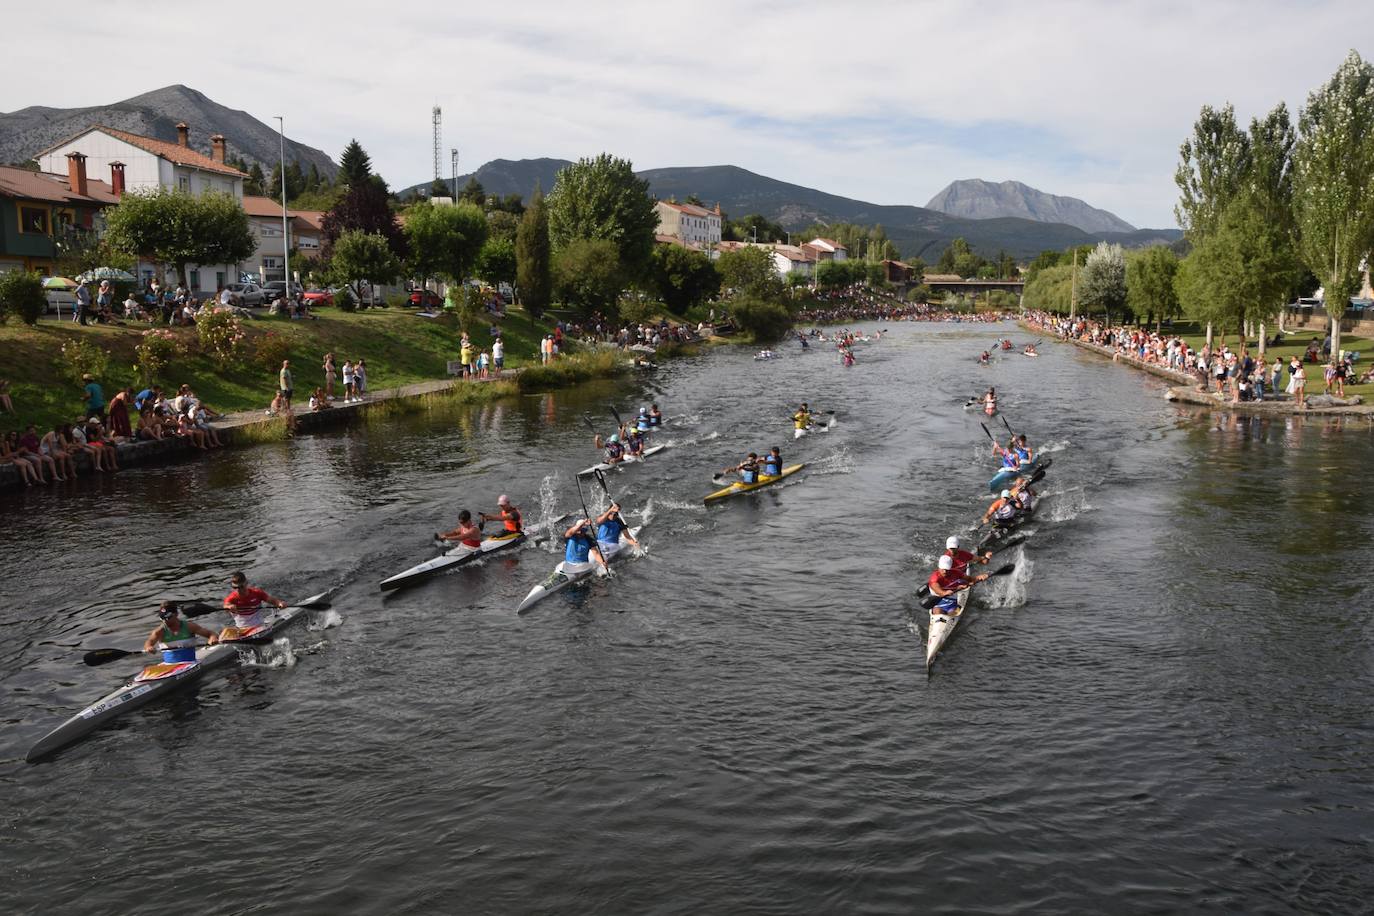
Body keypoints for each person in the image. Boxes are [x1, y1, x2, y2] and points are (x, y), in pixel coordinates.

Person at [143, 602, 218, 664]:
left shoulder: (189, 626)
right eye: (162, 618)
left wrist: (213, 638)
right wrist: (149, 647)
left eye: (168, 618)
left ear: (176, 614)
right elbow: (149, 642)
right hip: (169, 665)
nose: (165, 621)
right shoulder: (159, 631)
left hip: (190, 662)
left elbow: (211, 634)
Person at [222, 571, 288, 633]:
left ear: (246, 582)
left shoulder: (257, 593)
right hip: (242, 630)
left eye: (241, 587)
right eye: (235, 587)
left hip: (259, 626)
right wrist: (229, 607)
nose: (238, 590)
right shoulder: (231, 598)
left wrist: (280, 603)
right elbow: (226, 605)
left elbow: (273, 601)